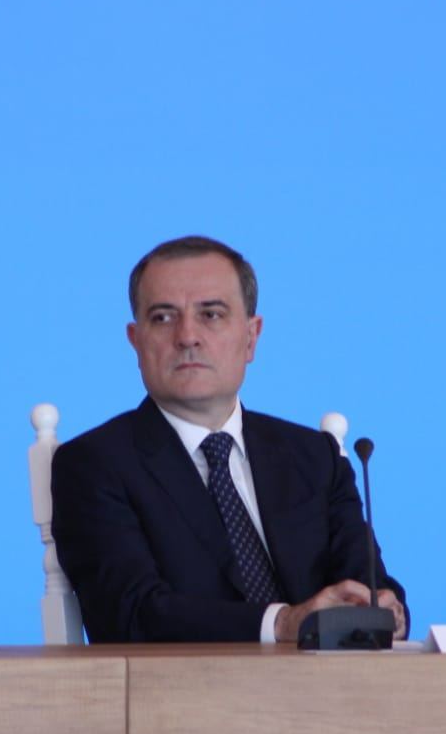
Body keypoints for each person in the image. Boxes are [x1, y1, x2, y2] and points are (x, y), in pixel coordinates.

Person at [50, 236, 408, 643]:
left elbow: (368, 583)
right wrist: (283, 623)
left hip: (328, 681)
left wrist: (386, 609)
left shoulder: (314, 458)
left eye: (211, 314)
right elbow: (130, 615)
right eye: (163, 317)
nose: (187, 336)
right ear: (136, 340)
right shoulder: (94, 465)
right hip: (181, 682)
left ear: (252, 337)